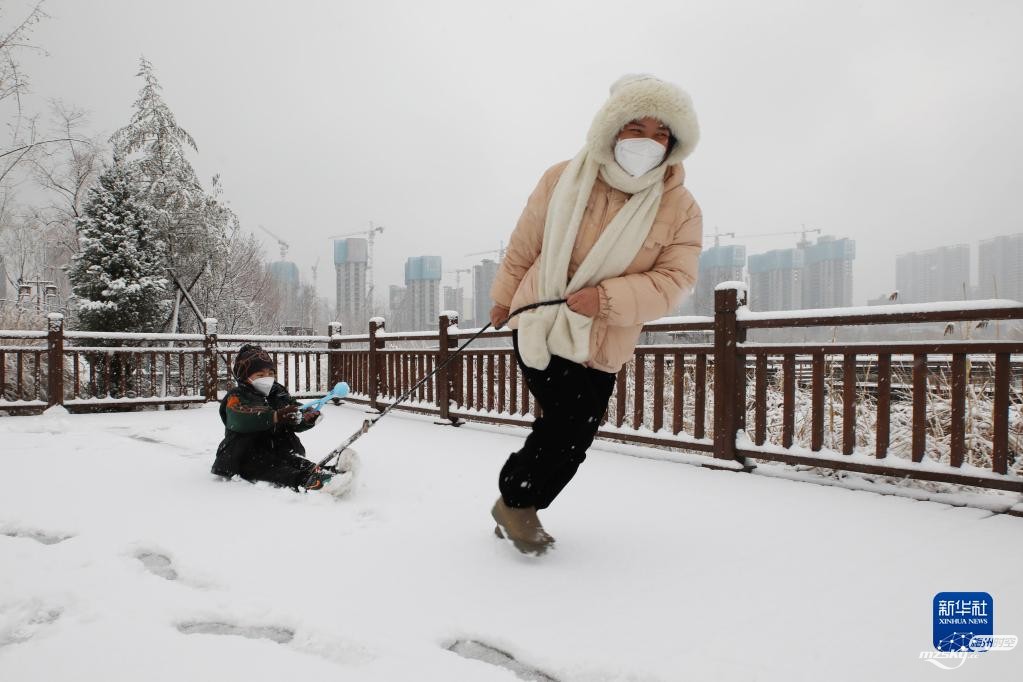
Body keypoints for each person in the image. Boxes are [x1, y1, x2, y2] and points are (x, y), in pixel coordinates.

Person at [489, 74, 703, 555]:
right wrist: (503, 300)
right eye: (636, 128)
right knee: (566, 425)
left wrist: (605, 299)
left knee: (577, 434)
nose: (648, 142)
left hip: (605, 339)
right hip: (538, 322)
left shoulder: (681, 207)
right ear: (612, 128)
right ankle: (517, 502)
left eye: (661, 133)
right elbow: (525, 244)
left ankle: (519, 499)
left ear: (675, 143)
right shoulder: (561, 177)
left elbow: (673, 282)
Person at [211, 344, 333, 490]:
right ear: (245, 377)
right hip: (245, 453)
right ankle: (306, 480)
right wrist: (274, 416)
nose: (267, 378)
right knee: (276, 470)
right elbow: (240, 418)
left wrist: (305, 419)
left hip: (278, 448)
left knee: (292, 460)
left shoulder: (277, 393)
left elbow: (293, 415)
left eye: (270, 373)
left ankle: (325, 472)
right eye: (260, 375)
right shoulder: (236, 396)